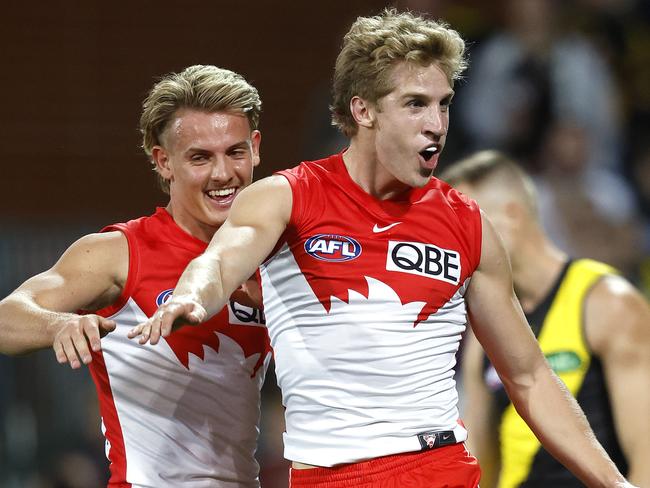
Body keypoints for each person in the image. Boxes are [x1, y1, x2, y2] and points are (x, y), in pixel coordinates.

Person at [129, 10, 635, 488]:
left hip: (442, 467)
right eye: (415, 103)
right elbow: (220, 259)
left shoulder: (467, 222)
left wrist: (613, 482)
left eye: (444, 103)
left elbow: (528, 375)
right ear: (363, 109)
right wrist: (190, 296)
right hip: (332, 474)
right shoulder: (288, 197)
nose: (436, 123)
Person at [0, 65, 272, 487]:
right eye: (200, 157)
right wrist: (60, 324)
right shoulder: (119, 252)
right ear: (163, 161)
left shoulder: (273, 256)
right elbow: (6, 317)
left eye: (234, 152)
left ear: (255, 148)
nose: (222, 175)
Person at [440, 150, 650, 487]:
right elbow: (479, 455)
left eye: (460, 226)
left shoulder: (608, 303)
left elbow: (647, 456)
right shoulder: (485, 323)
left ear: (510, 216)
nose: (450, 246)